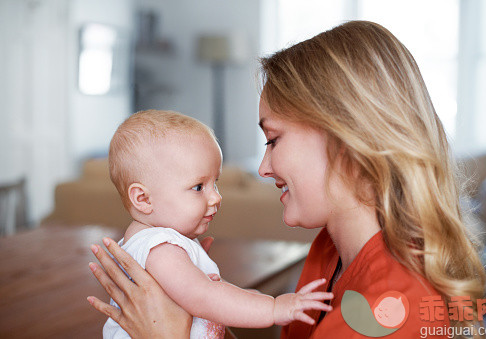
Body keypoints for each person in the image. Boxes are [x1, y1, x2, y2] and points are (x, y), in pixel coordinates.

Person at [87, 21, 486, 338]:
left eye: (274, 139)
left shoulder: (390, 310)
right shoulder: (329, 250)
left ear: (346, 138)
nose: (263, 168)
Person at [99, 109, 334, 339]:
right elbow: (204, 297)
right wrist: (273, 308)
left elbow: (216, 295)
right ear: (143, 199)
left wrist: (252, 299)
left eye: (216, 183)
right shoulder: (160, 248)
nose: (216, 197)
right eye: (199, 187)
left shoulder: (157, 243)